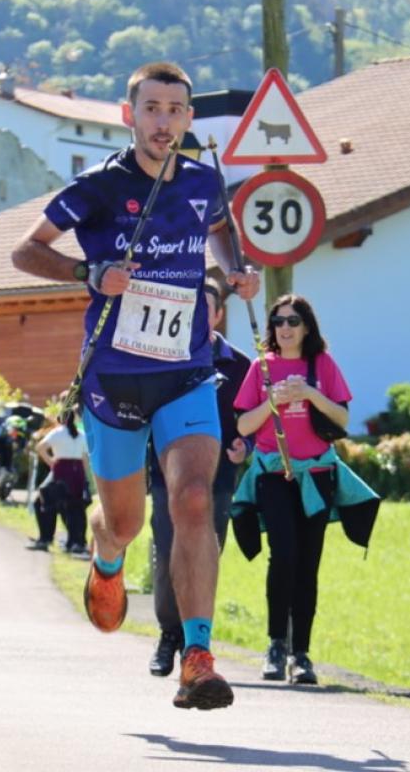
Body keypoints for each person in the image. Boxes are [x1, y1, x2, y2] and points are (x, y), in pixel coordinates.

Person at [12, 61, 259, 710]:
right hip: (116, 378)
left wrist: (238, 271)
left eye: (177, 110)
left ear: (186, 119)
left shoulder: (205, 182)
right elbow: (24, 250)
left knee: (197, 500)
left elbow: (221, 231)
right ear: (131, 115)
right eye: (152, 108)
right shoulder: (98, 187)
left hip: (186, 372)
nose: (164, 121)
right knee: (127, 520)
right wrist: (87, 273)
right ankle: (108, 554)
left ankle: (198, 656)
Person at [233, 294, 379, 686]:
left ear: (307, 327)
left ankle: (302, 654)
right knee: (283, 556)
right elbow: (244, 426)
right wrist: (273, 402)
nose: (285, 328)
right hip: (274, 475)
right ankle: (276, 645)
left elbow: (343, 418)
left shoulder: (323, 365)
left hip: (317, 476)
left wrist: (310, 394)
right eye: (278, 321)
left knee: (307, 564)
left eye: (293, 321)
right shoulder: (261, 368)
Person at [147, 280, 251, 677]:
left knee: (205, 556)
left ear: (219, 314)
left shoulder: (240, 366)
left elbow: (252, 420)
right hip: (166, 474)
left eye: (205, 309)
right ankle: (168, 637)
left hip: (219, 480)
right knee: (166, 553)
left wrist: (247, 446)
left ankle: (196, 644)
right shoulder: (164, 360)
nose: (197, 316)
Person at [29, 405, 91, 554]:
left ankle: (45, 538)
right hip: (77, 474)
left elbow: (40, 447)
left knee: (42, 502)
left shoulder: (57, 433)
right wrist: (85, 480)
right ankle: (76, 542)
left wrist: (51, 461)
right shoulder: (81, 435)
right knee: (75, 508)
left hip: (61, 471)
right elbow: (85, 460)